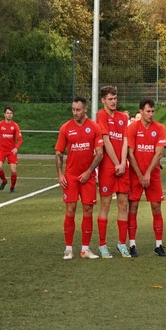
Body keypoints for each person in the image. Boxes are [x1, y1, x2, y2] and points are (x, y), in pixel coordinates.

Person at [55, 97, 104, 260]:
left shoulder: (94, 127)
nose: (75, 112)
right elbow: (59, 153)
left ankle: (85, 249)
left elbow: (100, 153)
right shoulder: (65, 128)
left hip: (88, 177)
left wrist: (89, 172)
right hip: (71, 176)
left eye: (78, 110)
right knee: (70, 209)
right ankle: (68, 249)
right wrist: (60, 174)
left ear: (85, 110)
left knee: (88, 210)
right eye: (73, 109)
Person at [126, 98, 166, 256]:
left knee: (156, 208)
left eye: (152, 111)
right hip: (135, 174)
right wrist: (140, 175)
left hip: (153, 175)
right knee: (133, 208)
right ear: (141, 112)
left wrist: (148, 173)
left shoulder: (160, 128)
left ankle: (158, 244)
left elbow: (159, 153)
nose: (151, 114)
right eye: (148, 111)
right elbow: (130, 154)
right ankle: (132, 245)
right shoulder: (132, 128)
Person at [96, 86, 131, 258]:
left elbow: (125, 140)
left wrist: (123, 163)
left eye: (115, 98)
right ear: (103, 100)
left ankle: (122, 244)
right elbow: (106, 141)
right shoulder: (101, 115)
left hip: (122, 166)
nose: (113, 101)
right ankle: (102, 245)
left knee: (123, 204)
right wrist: (117, 163)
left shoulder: (123, 117)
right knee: (105, 204)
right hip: (108, 167)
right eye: (110, 99)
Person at [0, 106, 23, 192]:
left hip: (11, 151)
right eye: (7, 113)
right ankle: (4, 181)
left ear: (12, 115)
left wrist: (16, 148)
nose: (9, 115)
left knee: (13, 171)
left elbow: (20, 139)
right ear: (4, 114)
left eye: (11, 113)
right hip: (1, 150)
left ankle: (12, 187)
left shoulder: (15, 126)